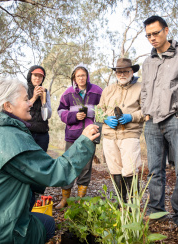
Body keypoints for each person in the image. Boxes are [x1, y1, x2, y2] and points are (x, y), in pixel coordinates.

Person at [0, 78, 99, 244]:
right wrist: (84, 141)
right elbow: (55, 173)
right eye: (25, 99)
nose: (31, 103)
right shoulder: (8, 137)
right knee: (48, 223)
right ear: (8, 106)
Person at [141, 15, 178, 235]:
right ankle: (156, 211)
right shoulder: (148, 62)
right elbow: (145, 90)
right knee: (155, 171)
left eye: (156, 33)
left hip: (175, 119)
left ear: (166, 30)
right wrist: (146, 112)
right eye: (148, 35)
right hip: (152, 123)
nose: (152, 38)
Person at [97, 58, 144, 203]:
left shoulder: (141, 88)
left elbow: (147, 110)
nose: (122, 74)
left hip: (130, 133)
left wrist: (132, 117)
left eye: (125, 71)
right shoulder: (109, 89)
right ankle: (121, 203)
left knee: (130, 169)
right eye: (119, 72)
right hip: (110, 135)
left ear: (132, 71)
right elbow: (98, 110)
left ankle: (133, 205)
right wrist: (105, 118)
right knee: (115, 169)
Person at [57, 63, 102, 208]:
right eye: (78, 76)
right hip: (72, 134)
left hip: (90, 134)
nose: (81, 78)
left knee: (85, 168)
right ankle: (65, 199)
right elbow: (60, 111)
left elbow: (104, 109)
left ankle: (80, 200)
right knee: (68, 165)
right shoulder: (68, 93)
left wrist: (96, 120)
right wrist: (74, 116)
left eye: (83, 75)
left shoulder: (97, 91)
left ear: (87, 76)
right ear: (74, 78)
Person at [27, 65, 52, 152]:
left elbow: (46, 116)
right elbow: (20, 110)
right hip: (27, 133)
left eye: (40, 76)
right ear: (30, 76)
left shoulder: (45, 91)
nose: (37, 78)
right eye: (35, 75)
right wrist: (34, 97)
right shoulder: (23, 89)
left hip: (42, 134)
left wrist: (43, 100)